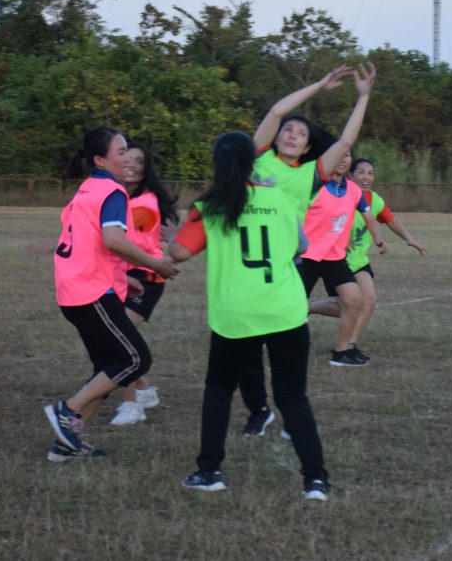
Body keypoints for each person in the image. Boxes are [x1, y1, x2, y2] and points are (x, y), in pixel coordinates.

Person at [170, 131, 331, 500]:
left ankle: (209, 471)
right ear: (253, 162)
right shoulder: (282, 198)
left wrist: (174, 233)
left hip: (236, 314)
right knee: (293, 397)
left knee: (219, 390)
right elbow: (300, 246)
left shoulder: (210, 205)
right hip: (285, 309)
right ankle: (315, 480)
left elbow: (179, 252)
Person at [237, 63, 376, 435]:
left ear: (308, 145)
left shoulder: (309, 174)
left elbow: (345, 142)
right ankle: (258, 410)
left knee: (287, 346)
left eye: (301, 133)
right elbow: (276, 111)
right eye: (288, 130)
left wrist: (362, 97)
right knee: (246, 345)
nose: (292, 134)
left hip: (284, 267)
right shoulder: (257, 157)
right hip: (246, 267)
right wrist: (319, 84)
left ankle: (291, 414)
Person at [44, 126, 179, 462]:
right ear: (100, 160)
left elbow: (87, 244)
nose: (128, 158)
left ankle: (67, 443)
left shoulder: (88, 188)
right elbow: (113, 240)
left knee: (107, 366)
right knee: (135, 359)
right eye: (121, 152)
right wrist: (156, 265)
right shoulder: (113, 192)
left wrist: (123, 277)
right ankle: (68, 410)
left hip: (75, 290)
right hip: (90, 292)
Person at [309, 156, 428, 361]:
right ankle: (310, 309)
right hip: (336, 259)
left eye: (370, 173)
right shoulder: (335, 194)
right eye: (361, 172)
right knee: (347, 306)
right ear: (351, 174)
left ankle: (350, 346)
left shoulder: (373, 200)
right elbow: (322, 220)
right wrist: (338, 237)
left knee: (369, 300)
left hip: (358, 261)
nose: (366, 177)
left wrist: (409, 239)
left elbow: (391, 220)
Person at [109, 141, 180, 426]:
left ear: (145, 169)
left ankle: (131, 405)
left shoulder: (146, 202)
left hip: (146, 277)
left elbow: (115, 238)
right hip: (119, 274)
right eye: (126, 157)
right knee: (116, 335)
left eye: (139, 161)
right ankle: (144, 390)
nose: (131, 164)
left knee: (118, 335)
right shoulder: (113, 195)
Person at [298, 149, 385, 367]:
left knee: (354, 299)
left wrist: (377, 237)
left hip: (334, 256)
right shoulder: (313, 185)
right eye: (337, 154)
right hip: (307, 255)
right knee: (291, 305)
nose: (342, 159)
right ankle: (264, 340)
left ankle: (341, 353)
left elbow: (369, 217)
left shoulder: (353, 190)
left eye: (346, 155)